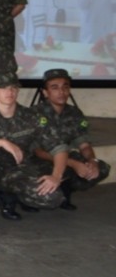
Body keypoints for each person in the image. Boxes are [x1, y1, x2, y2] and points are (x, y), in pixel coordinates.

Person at [0, 72, 66, 229]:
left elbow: (59, 147)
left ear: (18, 90)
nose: (10, 92)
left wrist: (56, 176)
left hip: (17, 171)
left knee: (52, 198)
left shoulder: (32, 116)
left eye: (14, 88)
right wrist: (2, 142)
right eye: (3, 88)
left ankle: (9, 195)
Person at [33, 68, 111, 209]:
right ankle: (25, 199)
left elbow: (84, 145)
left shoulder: (74, 113)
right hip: (40, 160)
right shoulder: (35, 113)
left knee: (101, 168)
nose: (61, 92)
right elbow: (37, 151)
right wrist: (73, 163)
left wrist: (92, 161)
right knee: (44, 193)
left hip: (65, 159)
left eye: (65, 87)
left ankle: (65, 190)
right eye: (55, 88)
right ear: (45, 92)